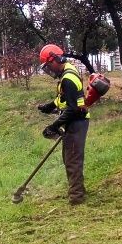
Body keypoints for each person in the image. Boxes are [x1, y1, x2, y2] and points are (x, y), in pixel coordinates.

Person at [36, 44, 89, 205]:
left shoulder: (68, 78)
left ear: (55, 59)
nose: (49, 69)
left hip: (77, 121)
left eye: (49, 65)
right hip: (74, 120)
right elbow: (66, 99)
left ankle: (77, 197)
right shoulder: (68, 71)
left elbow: (72, 109)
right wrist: (50, 106)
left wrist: (54, 126)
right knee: (69, 158)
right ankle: (78, 191)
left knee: (72, 159)